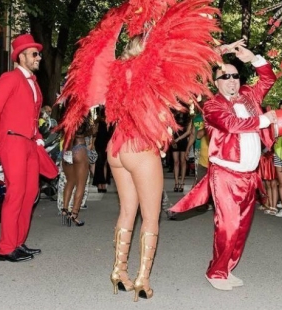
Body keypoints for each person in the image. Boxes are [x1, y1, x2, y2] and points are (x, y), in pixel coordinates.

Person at [58, 1, 221, 301]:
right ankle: (142, 280)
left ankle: (118, 272)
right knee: (150, 217)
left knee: (126, 212)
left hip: (117, 149)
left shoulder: (116, 72)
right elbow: (182, 57)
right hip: (140, 147)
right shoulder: (154, 69)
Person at [169, 44, 278, 291]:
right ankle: (216, 272)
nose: (231, 80)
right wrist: (264, 119)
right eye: (225, 77)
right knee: (227, 226)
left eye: (235, 76)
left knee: (241, 228)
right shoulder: (211, 105)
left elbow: (268, 79)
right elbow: (231, 124)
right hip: (225, 174)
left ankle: (227, 268)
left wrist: (254, 59)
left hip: (249, 175)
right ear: (216, 82)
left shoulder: (249, 96)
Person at [0, 33, 57, 263]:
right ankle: (5, 248)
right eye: (34, 54)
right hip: (12, 142)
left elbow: (31, 116)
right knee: (16, 193)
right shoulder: (10, 78)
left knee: (30, 194)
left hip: (29, 144)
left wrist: (38, 136)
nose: (39, 57)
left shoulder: (33, 83)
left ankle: (18, 243)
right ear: (21, 57)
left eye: (39, 54)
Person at [60, 114, 93, 226]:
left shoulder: (68, 115)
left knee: (70, 181)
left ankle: (64, 210)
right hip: (80, 148)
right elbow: (89, 131)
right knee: (80, 185)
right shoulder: (83, 115)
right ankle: (74, 214)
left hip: (67, 149)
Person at [171, 110, 192, 192]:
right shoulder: (173, 115)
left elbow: (189, 131)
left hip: (182, 140)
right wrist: (173, 140)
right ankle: (176, 183)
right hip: (175, 139)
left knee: (183, 161)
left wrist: (178, 139)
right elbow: (170, 128)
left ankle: (182, 182)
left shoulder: (188, 116)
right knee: (176, 162)